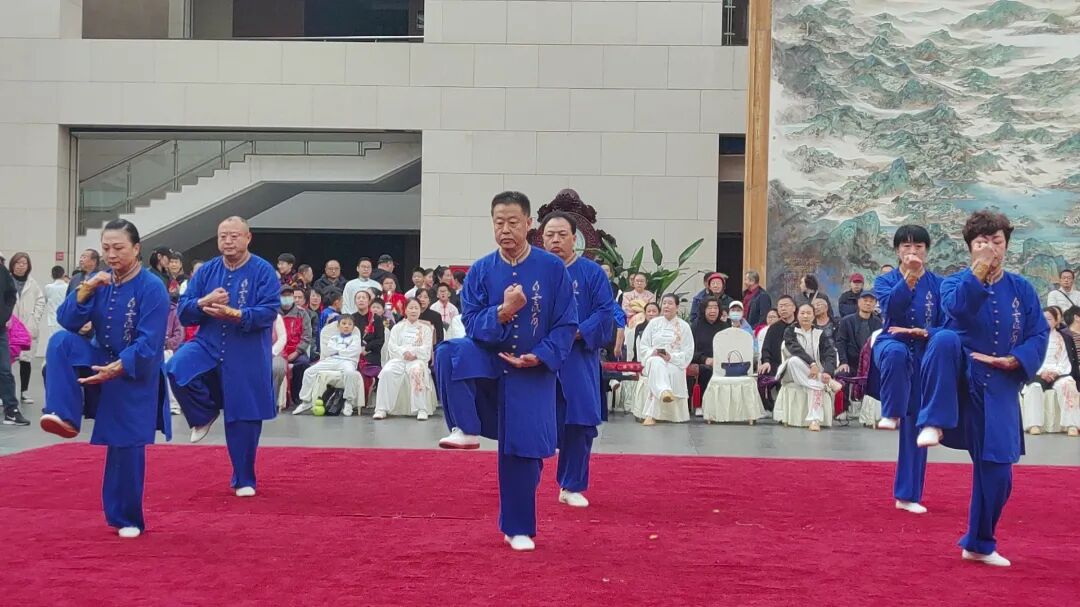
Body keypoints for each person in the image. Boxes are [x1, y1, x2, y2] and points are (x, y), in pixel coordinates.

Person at [434, 191, 577, 552]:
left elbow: (566, 324)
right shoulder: (481, 270)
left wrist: (539, 356)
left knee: (524, 452)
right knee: (449, 352)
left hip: (533, 369)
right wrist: (504, 311)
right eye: (499, 223)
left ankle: (517, 528)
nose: (506, 230)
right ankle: (465, 428)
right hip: (492, 358)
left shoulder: (552, 269)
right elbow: (471, 323)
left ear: (529, 224)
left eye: (513, 222)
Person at [916, 210, 1049, 567]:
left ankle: (978, 542)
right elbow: (957, 309)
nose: (990, 248)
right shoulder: (953, 283)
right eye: (981, 242)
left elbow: (1039, 333)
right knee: (944, 338)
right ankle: (934, 419)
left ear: (1007, 245)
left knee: (1000, 475)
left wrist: (1016, 359)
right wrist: (979, 271)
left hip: (1000, 384)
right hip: (960, 377)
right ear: (969, 248)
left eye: (996, 242)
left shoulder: (1022, 289)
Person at [39, 219, 171, 538]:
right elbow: (67, 321)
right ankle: (64, 415)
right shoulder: (98, 281)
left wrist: (120, 366)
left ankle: (127, 518)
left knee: (126, 445)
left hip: (137, 370)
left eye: (118, 248)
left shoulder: (152, 287)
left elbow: (150, 341)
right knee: (59, 343)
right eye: (106, 248)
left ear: (136, 249)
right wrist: (86, 289)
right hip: (101, 356)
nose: (111, 255)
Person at [167, 217, 279, 498]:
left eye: (234, 236)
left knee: (243, 415)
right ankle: (204, 414)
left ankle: (244, 478)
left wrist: (237, 314)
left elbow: (269, 311)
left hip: (247, 350)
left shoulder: (263, 270)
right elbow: (184, 311)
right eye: (222, 236)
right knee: (176, 367)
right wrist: (203, 302)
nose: (228, 241)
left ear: (248, 238)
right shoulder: (207, 271)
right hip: (208, 342)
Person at [539, 212, 615, 508]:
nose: (555, 240)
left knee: (580, 422)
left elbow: (605, 312)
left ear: (575, 239)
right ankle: (524, 482)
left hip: (578, 357)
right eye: (549, 235)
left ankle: (571, 485)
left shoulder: (591, 273)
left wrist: (577, 332)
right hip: (540, 357)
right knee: (534, 420)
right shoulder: (533, 271)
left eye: (562, 235)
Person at [867, 225, 943, 516]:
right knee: (896, 355)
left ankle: (908, 495)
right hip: (893, 342)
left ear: (927, 250)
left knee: (918, 424)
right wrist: (910, 276)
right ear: (898, 251)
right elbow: (892, 308)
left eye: (919, 247)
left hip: (924, 349)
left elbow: (946, 322)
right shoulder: (885, 280)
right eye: (907, 247)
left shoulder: (938, 284)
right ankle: (890, 411)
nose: (913, 252)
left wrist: (926, 332)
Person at [777, 303, 842, 432]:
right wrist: (812, 364)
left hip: (811, 375)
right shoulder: (790, 331)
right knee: (794, 360)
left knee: (815, 385)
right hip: (792, 372)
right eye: (802, 313)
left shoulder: (820, 334)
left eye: (808, 313)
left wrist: (828, 372)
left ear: (813, 316)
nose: (805, 316)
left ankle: (814, 420)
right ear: (797, 315)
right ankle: (826, 381)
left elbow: (830, 353)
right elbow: (795, 349)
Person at [1020, 307, 1079, 436]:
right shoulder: (1031, 338)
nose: (1045, 322)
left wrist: (1056, 372)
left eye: (1049, 319)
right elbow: (1029, 358)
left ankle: (1072, 425)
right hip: (1037, 372)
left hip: (1059, 372)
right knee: (1034, 387)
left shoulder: (1065, 338)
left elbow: (1066, 359)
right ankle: (1033, 424)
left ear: (1057, 321)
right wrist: (1042, 372)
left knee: (1068, 384)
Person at [374, 299, 435, 421]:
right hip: (399, 359)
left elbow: (427, 348)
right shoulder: (398, 327)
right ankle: (382, 408)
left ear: (420, 311)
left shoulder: (425, 329)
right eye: (411, 308)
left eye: (416, 308)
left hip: (417, 360)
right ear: (405, 310)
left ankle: (421, 409)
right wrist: (404, 353)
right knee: (387, 372)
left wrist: (414, 353)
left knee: (417, 372)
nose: (413, 311)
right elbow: (392, 346)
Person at [637, 294, 694, 426]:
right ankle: (664, 392)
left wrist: (671, 357)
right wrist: (653, 352)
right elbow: (643, 346)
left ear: (677, 307)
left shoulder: (684, 326)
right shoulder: (653, 323)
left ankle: (651, 414)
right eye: (664, 303)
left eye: (670, 303)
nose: (666, 306)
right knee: (656, 362)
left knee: (663, 370)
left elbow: (688, 351)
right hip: (654, 359)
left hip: (674, 362)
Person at [295, 314, 364, 416]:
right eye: (344, 323)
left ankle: (349, 402)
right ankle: (306, 401)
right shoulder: (334, 338)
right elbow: (328, 351)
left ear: (353, 327)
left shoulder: (355, 338)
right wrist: (344, 350)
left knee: (350, 373)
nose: (346, 326)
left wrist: (338, 351)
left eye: (350, 324)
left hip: (348, 361)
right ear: (339, 326)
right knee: (309, 372)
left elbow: (354, 352)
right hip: (331, 360)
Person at [9, 253, 45, 405]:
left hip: (26, 327)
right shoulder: (6, 280)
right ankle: (5, 393)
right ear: (12, 265)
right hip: (9, 326)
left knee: (25, 361)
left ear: (28, 266)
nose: (21, 266)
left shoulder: (33, 283)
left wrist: (34, 318)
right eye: (18, 263)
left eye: (24, 263)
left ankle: (24, 392)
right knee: (5, 363)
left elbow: (40, 301)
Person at [273, 285, 313, 406]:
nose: (286, 298)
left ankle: (297, 396)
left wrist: (297, 352)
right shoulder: (273, 313)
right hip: (277, 351)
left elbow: (307, 337)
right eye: (283, 296)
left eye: (289, 295)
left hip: (296, 351)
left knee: (303, 363)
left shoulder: (302, 313)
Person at [1, 256, 28, 426]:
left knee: (5, 370)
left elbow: (11, 294)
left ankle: (11, 410)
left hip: (0, 330)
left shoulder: (2, 271)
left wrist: (5, 315)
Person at [691, 296, 726, 418]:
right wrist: (705, 359)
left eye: (715, 308)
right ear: (703, 310)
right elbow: (690, 350)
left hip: (721, 361)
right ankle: (701, 404)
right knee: (706, 370)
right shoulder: (696, 326)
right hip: (702, 361)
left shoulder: (724, 326)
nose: (713, 311)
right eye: (709, 308)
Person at [836, 292, 882, 376]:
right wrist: (843, 362)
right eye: (865, 300)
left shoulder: (878, 322)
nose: (868, 303)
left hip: (871, 363)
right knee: (841, 374)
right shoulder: (846, 321)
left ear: (875, 304)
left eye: (871, 301)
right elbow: (841, 342)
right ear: (859, 302)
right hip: (851, 363)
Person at [351, 289, 385, 370]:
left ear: (369, 301)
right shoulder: (351, 318)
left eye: (364, 298)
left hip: (371, 353)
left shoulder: (376, 318)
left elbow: (380, 339)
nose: (361, 300)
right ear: (355, 302)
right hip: (354, 353)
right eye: (358, 298)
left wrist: (366, 348)